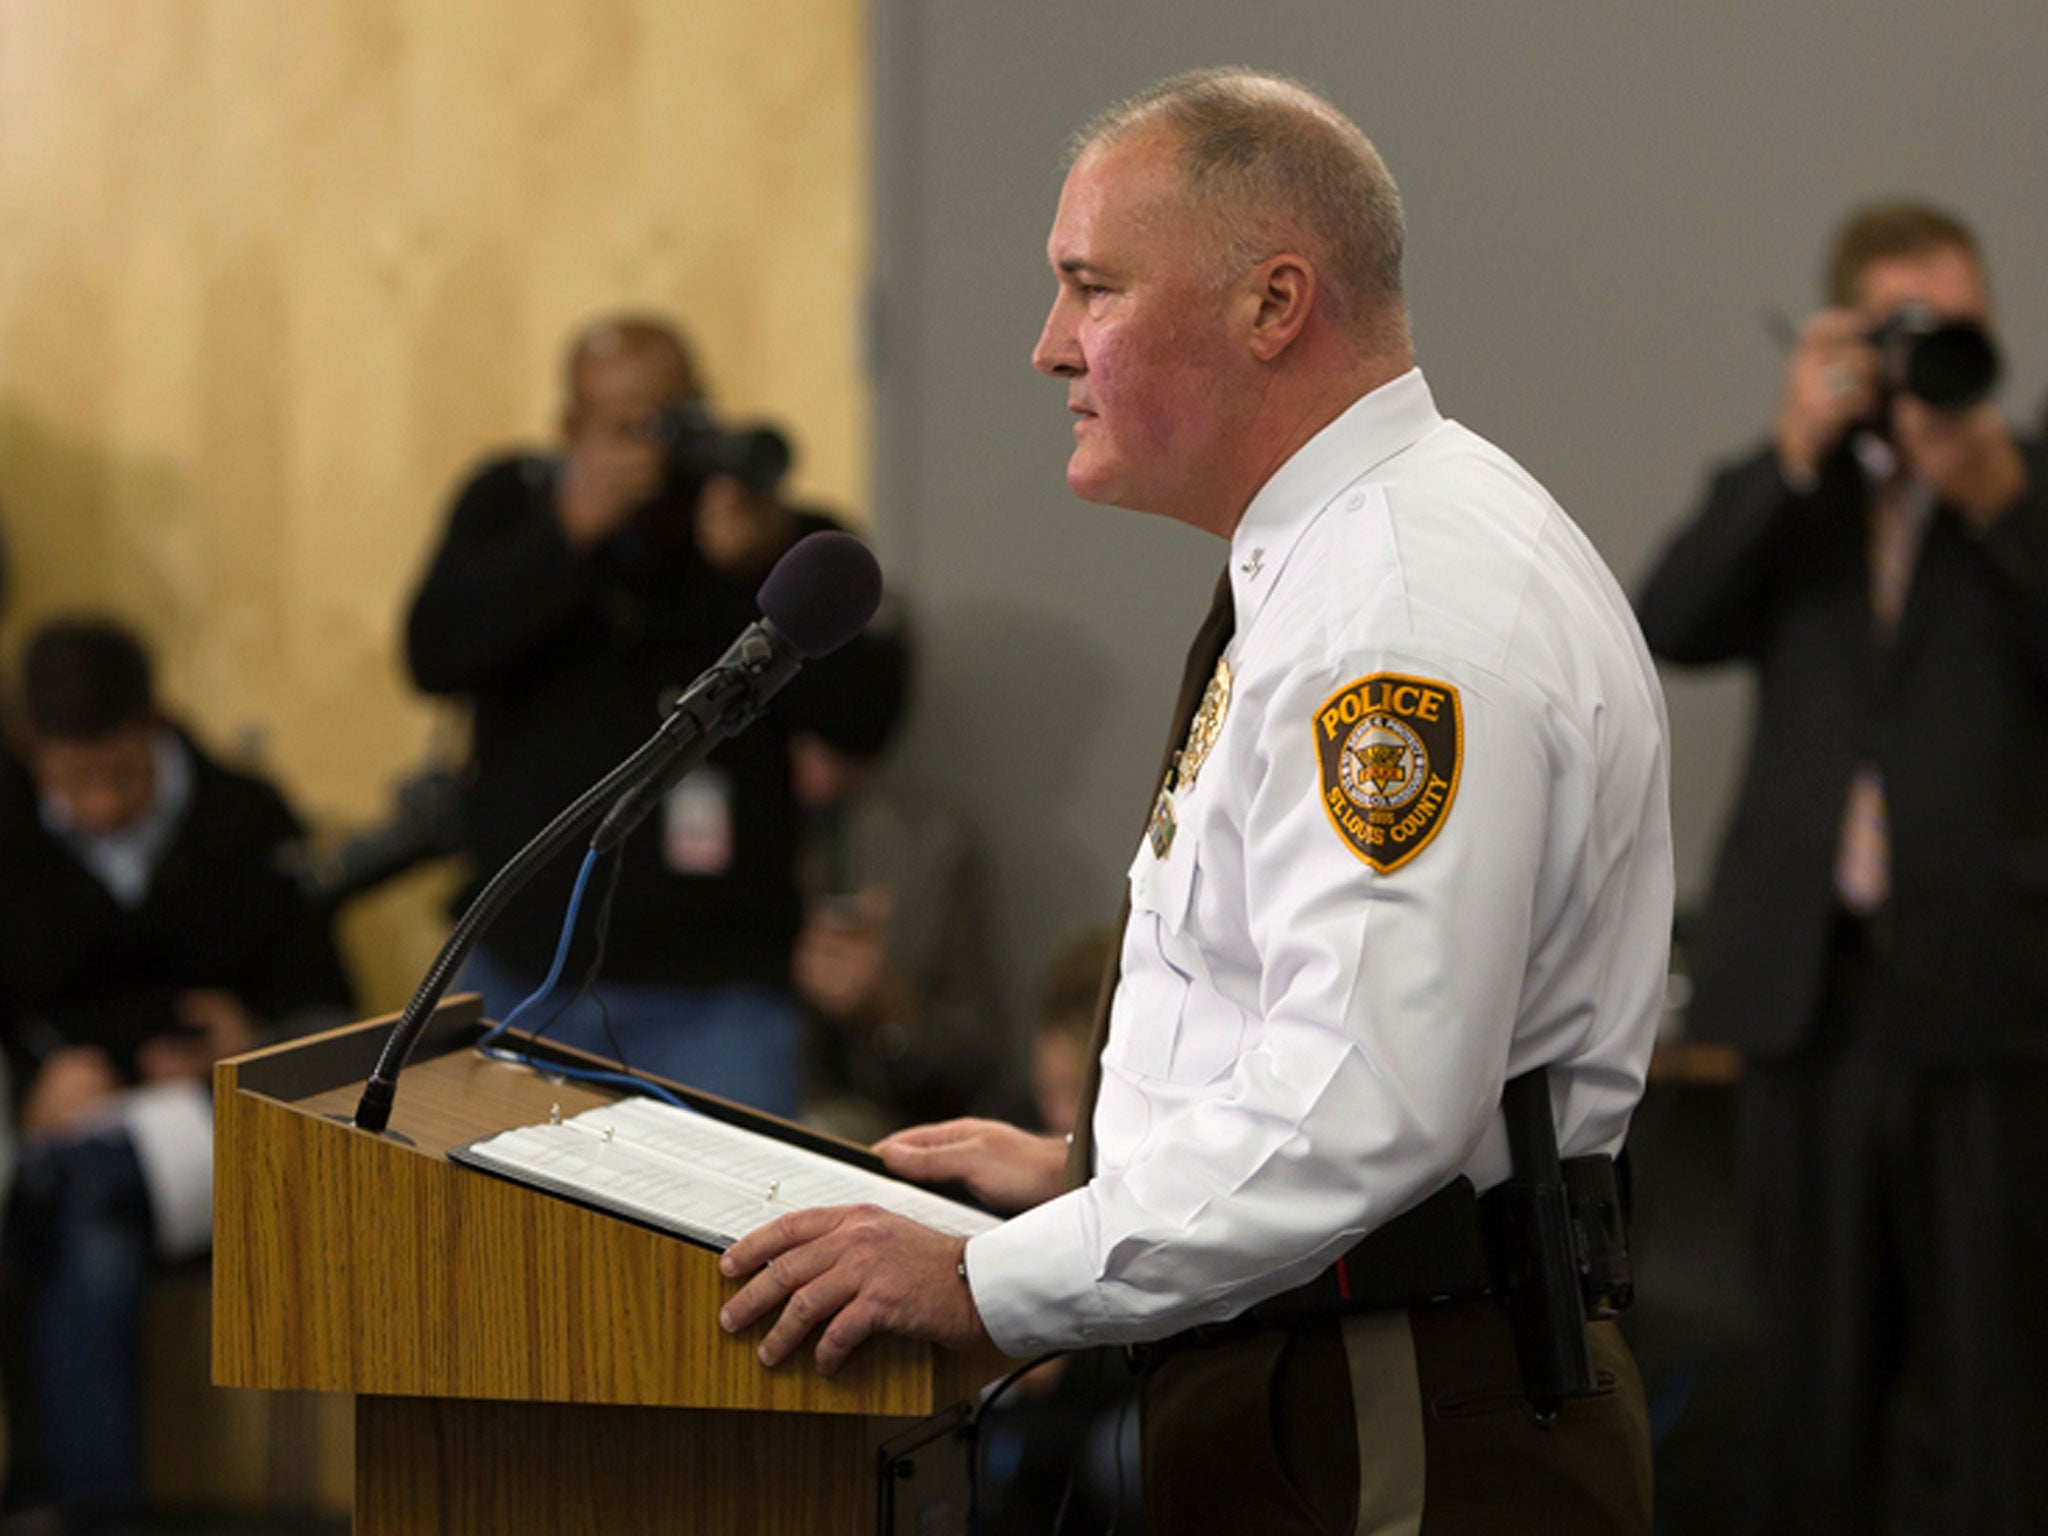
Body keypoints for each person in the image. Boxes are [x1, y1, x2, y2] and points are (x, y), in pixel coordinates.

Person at [717, 69, 1672, 1534]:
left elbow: (1371, 1106)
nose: (1049, 349)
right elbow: (1310, 1031)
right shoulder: (1343, 562)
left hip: (1390, 1395)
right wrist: (1101, 1168)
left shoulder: (1397, 613)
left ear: (1273, 305)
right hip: (1324, 1357)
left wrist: (988, 1282)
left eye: (1091, 289)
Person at [1638, 203, 2048, 1535]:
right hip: (1804, 997)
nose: (1932, 354)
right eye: (1900, 329)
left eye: (1957, 326)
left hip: (1992, 1000)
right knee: (1807, 1377)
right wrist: (1793, 447)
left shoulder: (2026, 492)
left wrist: (2002, 505)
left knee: (1999, 1375)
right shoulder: (1796, 501)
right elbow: (1672, 615)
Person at [405, 315, 905, 1116]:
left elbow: (865, 718)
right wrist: (570, 527)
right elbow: (434, 655)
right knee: (486, 1221)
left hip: (718, 987)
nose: (657, 448)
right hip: (524, 964)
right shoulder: (514, 503)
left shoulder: (773, 533)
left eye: (675, 417)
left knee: (727, 1233)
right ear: (571, 430)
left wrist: (756, 568)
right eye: (627, 427)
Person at [0, 616, 354, 1531]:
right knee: (89, 1225)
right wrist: (35, 1075)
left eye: (118, 775)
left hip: (211, 1123)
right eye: (68, 782)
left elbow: (329, 1008)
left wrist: (252, 1033)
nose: (99, 806)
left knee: (69, 1199)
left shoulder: (245, 818)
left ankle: (74, 1505)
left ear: (156, 727)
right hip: (62, 1126)